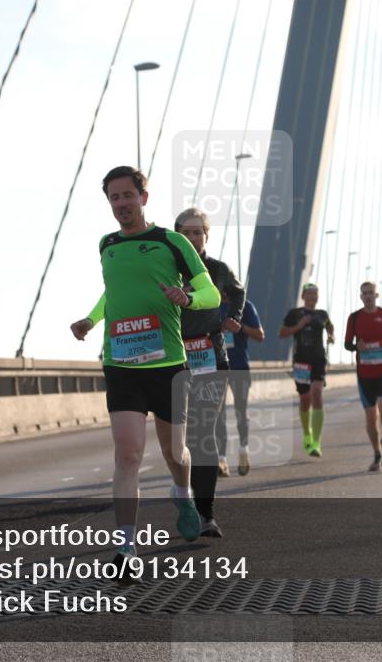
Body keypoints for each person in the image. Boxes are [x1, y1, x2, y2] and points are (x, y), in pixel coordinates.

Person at [70, 166, 220, 578]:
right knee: (128, 454)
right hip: (121, 363)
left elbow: (211, 293)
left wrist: (187, 297)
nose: (121, 204)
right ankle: (126, 547)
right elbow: (113, 293)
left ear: (143, 198)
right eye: (114, 198)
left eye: (127, 196)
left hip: (168, 365)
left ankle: (182, 493)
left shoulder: (171, 242)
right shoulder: (107, 246)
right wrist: (91, 320)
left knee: (175, 452)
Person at [175, 207, 245, 538]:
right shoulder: (168, 268)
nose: (192, 238)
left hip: (212, 359)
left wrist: (234, 317)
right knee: (179, 441)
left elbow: (239, 292)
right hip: (173, 361)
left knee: (202, 436)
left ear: (206, 235)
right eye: (185, 233)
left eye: (197, 232)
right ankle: (185, 502)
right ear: (177, 236)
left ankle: (206, 515)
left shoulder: (217, 270)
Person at [344, 281, 382, 472]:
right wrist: (356, 347)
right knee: (371, 418)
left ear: (376, 296)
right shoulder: (354, 318)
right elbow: (347, 344)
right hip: (365, 374)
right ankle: (377, 454)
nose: (368, 296)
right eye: (364, 293)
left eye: (371, 293)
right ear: (360, 297)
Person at [279, 283, 334, 457]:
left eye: (315, 294)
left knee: (317, 393)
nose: (312, 297)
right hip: (301, 361)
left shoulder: (322, 314)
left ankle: (316, 443)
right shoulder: (294, 314)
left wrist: (331, 335)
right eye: (309, 294)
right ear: (303, 296)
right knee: (304, 399)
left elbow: (329, 326)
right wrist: (299, 325)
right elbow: (282, 333)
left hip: (318, 359)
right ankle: (307, 434)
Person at [215, 299, 264, 476]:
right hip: (216, 367)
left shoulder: (246, 306)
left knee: (240, 411)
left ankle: (244, 450)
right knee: (218, 414)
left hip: (239, 367)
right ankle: (222, 460)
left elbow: (260, 335)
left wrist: (239, 326)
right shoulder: (210, 304)